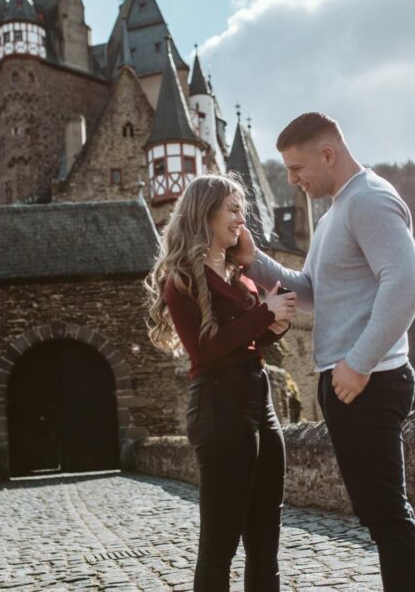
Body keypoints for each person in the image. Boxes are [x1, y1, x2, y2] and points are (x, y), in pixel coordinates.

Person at [231, 112, 415, 591]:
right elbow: (311, 292)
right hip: (351, 382)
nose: (292, 180)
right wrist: (254, 261)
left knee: (387, 513)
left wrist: (358, 365)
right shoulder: (335, 213)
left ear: (327, 154)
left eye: (297, 168)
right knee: (379, 513)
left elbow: (408, 284)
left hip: (370, 381)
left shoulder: (370, 200)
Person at [145, 173, 297, 592]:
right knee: (220, 544)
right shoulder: (181, 278)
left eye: (242, 211)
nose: (241, 220)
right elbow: (205, 350)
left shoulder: (238, 275)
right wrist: (265, 313)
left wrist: (275, 323)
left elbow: (249, 341)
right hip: (219, 406)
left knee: (265, 543)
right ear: (205, 214)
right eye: (232, 210)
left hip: (259, 399)